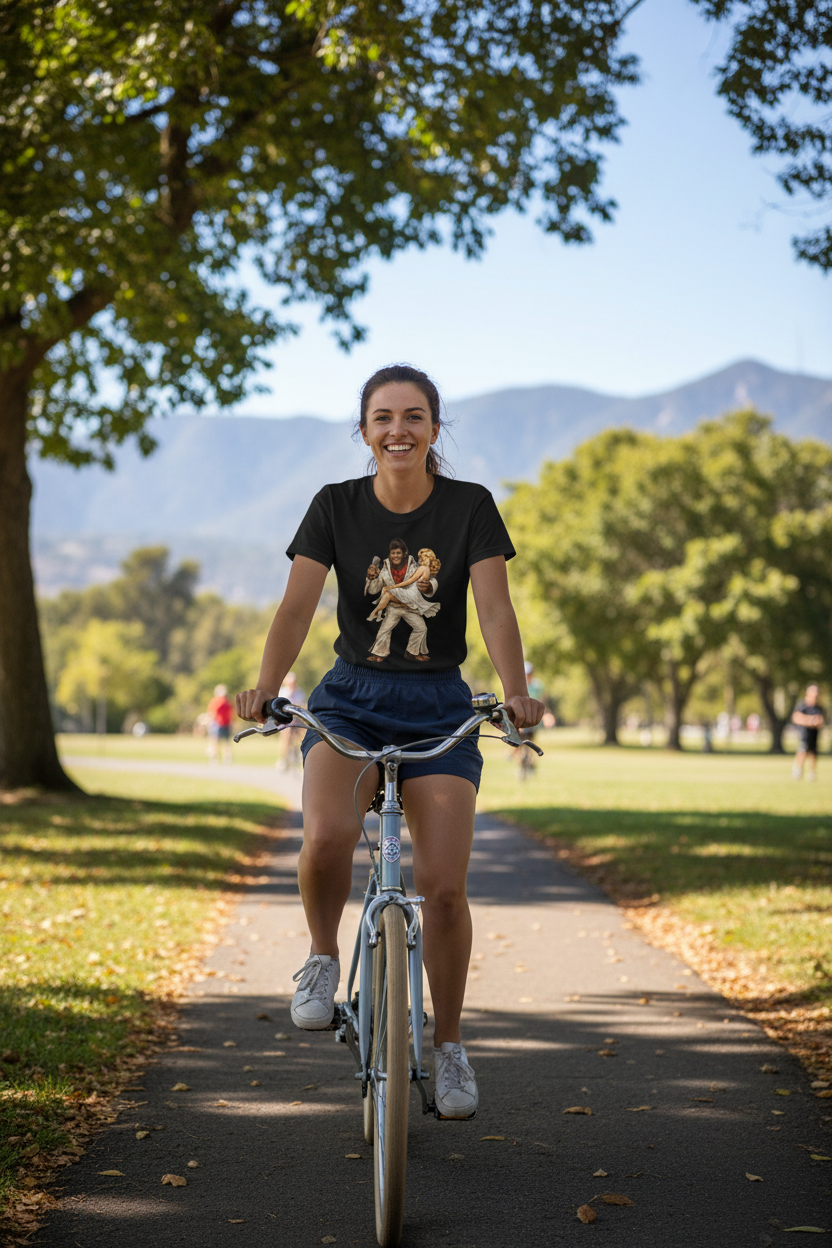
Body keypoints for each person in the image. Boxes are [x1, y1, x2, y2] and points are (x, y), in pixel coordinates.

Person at [236, 363, 544, 1120]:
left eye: (413, 416)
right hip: (350, 702)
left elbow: (495, 610)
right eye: (383, 417)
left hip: (440, 704)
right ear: (365, 430)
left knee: (442, 889)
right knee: (327, 836)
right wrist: (268, 685)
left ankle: (449, 1048)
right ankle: (321, 955)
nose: (398, 429)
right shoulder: (334, 507)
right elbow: (297, 605)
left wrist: (514, 692)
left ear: (435, 428)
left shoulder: (470, 507)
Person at [367, 547, 441, 621]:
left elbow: (410, 581)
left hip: (412, 595)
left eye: (398, 553)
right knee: (385, 590)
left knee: (388, 593)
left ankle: (376, 613)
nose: (396, 556)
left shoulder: (419, 567)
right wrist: (371, 578)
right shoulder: (385, 568)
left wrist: (393, 587)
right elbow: (373, 590)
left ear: (404, 554)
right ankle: (379, 613)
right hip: (397, 605)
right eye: (393, 553)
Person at [791, 683, 825, 781]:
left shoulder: (818, 707)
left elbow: (821, 720)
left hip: (814, 733)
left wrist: (817, 722)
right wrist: (809, 721)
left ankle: (812, 772)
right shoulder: (802, 705)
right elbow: (796, 717)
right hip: (804, 732)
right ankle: (799, 769)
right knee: (802, 750)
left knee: (813, 752)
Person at [275, 671, 307, 770]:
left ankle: (301, 754)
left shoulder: (299, 692)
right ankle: (283, 759)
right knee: (286, 736)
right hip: (285, 720)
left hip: (297, 718)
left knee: (304, 733)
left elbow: (302, 705)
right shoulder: (283, 692)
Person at [206, 684, 234, 763]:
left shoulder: (221, 702)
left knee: (219, 742)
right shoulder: (225, 702)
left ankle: (219, 758)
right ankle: (220, 758)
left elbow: (211, 713)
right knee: (220, 742)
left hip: (221, 724)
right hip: (219, 724)